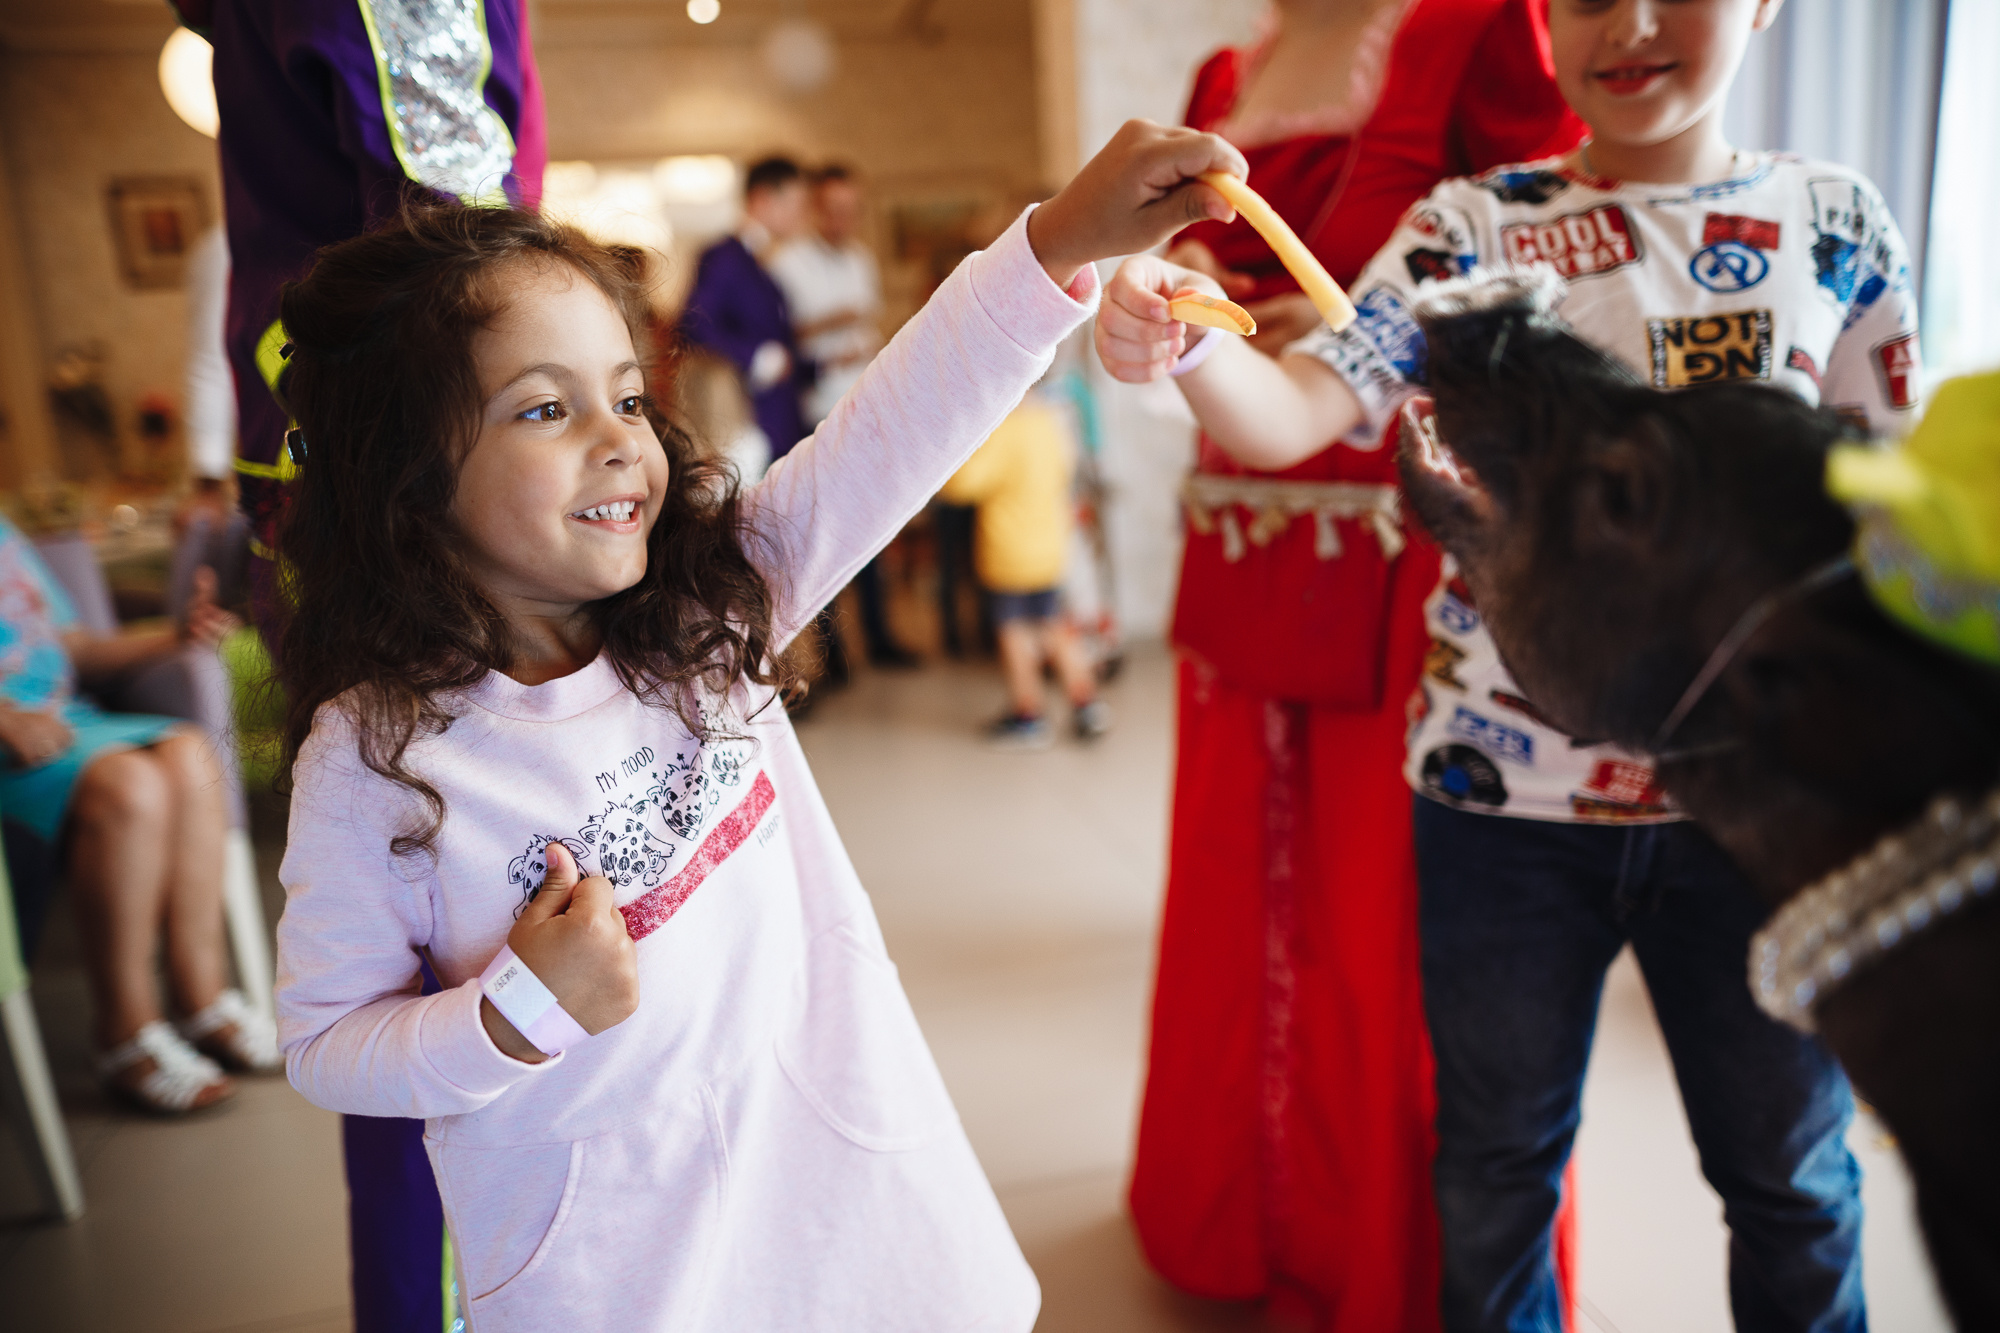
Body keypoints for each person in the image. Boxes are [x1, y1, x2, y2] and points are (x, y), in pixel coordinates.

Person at [270, 121, 1248, 1329]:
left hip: (839, 1175)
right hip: (615, 1266)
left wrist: (1058, 243)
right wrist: (517, 1009)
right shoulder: (376, 759)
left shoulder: (705, 615)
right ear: (406, 476)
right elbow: (325, 1042)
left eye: (625, 394)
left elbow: (898, 421)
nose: (619, 434)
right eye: (544, 409)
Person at [1100, 0, 1900, 1327]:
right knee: (1491, 1173)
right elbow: (1304, 412)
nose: (1629, 23)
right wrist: (1186, 345)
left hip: (1763, 809)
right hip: (1500, 813)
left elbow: (1891, 508)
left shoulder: (1840, 223)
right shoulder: (1467, 230)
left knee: (1793, 1181)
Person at [1117, 1, 1584, 1326]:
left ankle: (1393, 1249)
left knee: (1386, 904)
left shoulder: (1476, 29)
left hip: (1399, 548)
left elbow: (1536, 269)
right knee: (1238, 875)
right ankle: (1242, 1215)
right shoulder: (1231, 72)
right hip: (1245, 509)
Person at [180, 2, 547, 1323]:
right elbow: (464, 273)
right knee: (469, 955)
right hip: (423, 508)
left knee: (432, 937)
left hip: (349, 491)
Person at [0, 518, 271, 1114]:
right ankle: (124, 1031)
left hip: (67, 725)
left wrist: (175, 636)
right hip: (12, 745)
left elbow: (75, 648)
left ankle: (201, 998)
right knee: (129, 785)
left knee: (190, 753)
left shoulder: (6, 535)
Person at [770, 166, 919, 668]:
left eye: (851, 210)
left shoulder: (860, 259)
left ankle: (880, 636)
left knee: (876, 530)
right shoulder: (787, 265)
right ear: (815, 209)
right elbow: (780, 343)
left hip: (864, 409)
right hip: (814, 415)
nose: (842, 220)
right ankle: (832, 654)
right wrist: (826, 328)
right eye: (833, 210)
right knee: (825, 535)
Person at [937, 392, 1111, 748]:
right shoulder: (1049, 420)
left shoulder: (1004, 428)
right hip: (1050, 546)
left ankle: (1028, 714)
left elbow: (961, 485)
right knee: (1054, 624)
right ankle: (1086, 703)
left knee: (1013, 630)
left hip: (1011, 550)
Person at [680, 157, 815, 465]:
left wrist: (817, 365)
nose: (801, 214)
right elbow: (694, 324)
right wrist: (755, 356)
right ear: (763, 198)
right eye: (796, 203)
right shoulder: (723, 257)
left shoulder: (769, 261)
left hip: (783, 421)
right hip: (745, 421)